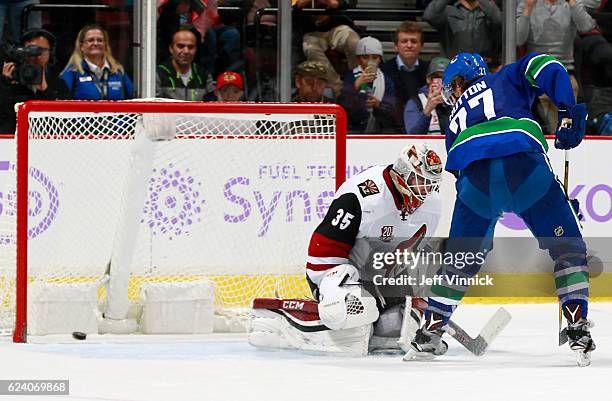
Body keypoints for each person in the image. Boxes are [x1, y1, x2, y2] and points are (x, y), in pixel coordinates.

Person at [406, 52, 594, 365]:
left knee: (460, 260)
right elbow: (550, 66)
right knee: (569, 249)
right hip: (523, 165)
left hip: (474, 181)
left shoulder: (453, 120)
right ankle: (577, 329)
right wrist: (568, 110)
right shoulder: (505, 76)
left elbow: (460, 174)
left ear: (460, 81)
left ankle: (428, 334)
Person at [249, 144, 443, 355]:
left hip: (378, 274)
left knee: (398, 323)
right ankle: (287, 320)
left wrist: (403, 290)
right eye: (420, 182)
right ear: (403, 172)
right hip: (338, 270)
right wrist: (338, 287)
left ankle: (368, 320)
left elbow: (407, 253)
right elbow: (324, 250)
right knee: (357, 312)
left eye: (430, 185)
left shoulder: (432, 204)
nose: (425, 191)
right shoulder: (364, 195)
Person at [517, 0, 596, 134]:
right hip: (535, 73)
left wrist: (572, 3)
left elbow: (586, 26)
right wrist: (527, 9)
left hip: (564, 71)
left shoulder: (570, 4)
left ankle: (565, 136)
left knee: (566, 121)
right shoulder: (526, 3)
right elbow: (518, 39)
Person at [0, 29, 69, 134]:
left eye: (42, 51)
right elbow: (4, 120)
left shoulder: (59, 84)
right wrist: (4, 84)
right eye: (30, 50)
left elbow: (64, 123)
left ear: (50, 53)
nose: (37, 56)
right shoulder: (9, 81)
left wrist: (46, 91)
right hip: (11, 142)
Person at [295, 0, 361, 96]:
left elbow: (349, 3)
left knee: (354, 42)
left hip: (338, 27)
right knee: (310, 49)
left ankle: (357, 82)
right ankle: (339, 90)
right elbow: (294, 6)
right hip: (311, 31)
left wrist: (335, 3)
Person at [338, 36, 396, 133]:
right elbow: (343, 107)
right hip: (353, 130)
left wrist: (378, 105)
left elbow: (391, 111)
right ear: (358, 59)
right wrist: (356, 86)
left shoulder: (386, 80)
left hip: (378, 131)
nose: (370, 62)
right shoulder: (351, 77)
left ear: (380, 59)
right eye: (365, 57)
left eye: (374, 57)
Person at [60, 24, 133, 100]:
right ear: (81, 46)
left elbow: (133, 99)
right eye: (90, 40)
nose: (95, 43)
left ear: (105, 44)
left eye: (100, 40)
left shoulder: (118, 72)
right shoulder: (72, 73)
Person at [381, 21, 430, 133]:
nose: (409, 45)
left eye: (414, 41)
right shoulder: (383, 71)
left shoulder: (429, 71)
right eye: (404, 41)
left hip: (421, 129)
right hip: (390, 129)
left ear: (421, 46)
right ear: (396, 46)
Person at [424, 0, 502, 59]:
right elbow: (429, 16)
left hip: (481, 68)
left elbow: (498, 20)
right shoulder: (448, 12)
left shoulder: (488, 12)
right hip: (454, 68)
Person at [156, 28, 214, 100]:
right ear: (171, 48)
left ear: (196, 49)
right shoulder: (159, 74)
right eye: (180, 46)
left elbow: (211, 104)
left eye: (190, 47)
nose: (186, 51)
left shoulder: (203, 75)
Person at [403, 56, 451, 135]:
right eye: (436, 77)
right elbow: (412, 137)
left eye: (444, 77)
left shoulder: (458, 100)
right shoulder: (415, 103)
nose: (440, 82)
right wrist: (427, 110)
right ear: (428, 79)